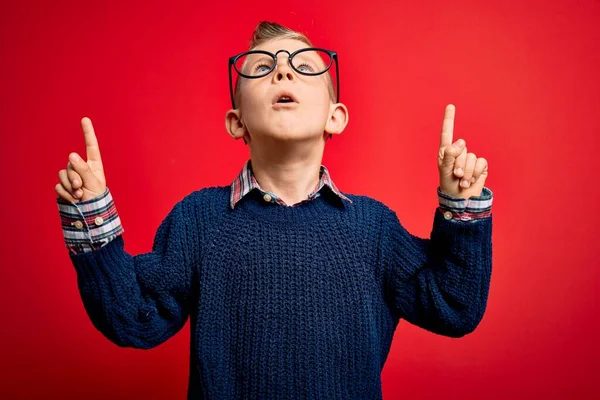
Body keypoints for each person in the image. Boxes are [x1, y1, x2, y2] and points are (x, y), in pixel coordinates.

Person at [55, 21, 493, 400]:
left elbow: (453, 306)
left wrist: (461, 206)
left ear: (335, 117)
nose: (283, 68)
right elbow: (133, 318)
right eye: (262, 68)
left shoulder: (373, 229)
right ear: (236, 121)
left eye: (304, 66)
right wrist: (91, 213)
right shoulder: (198, 220)